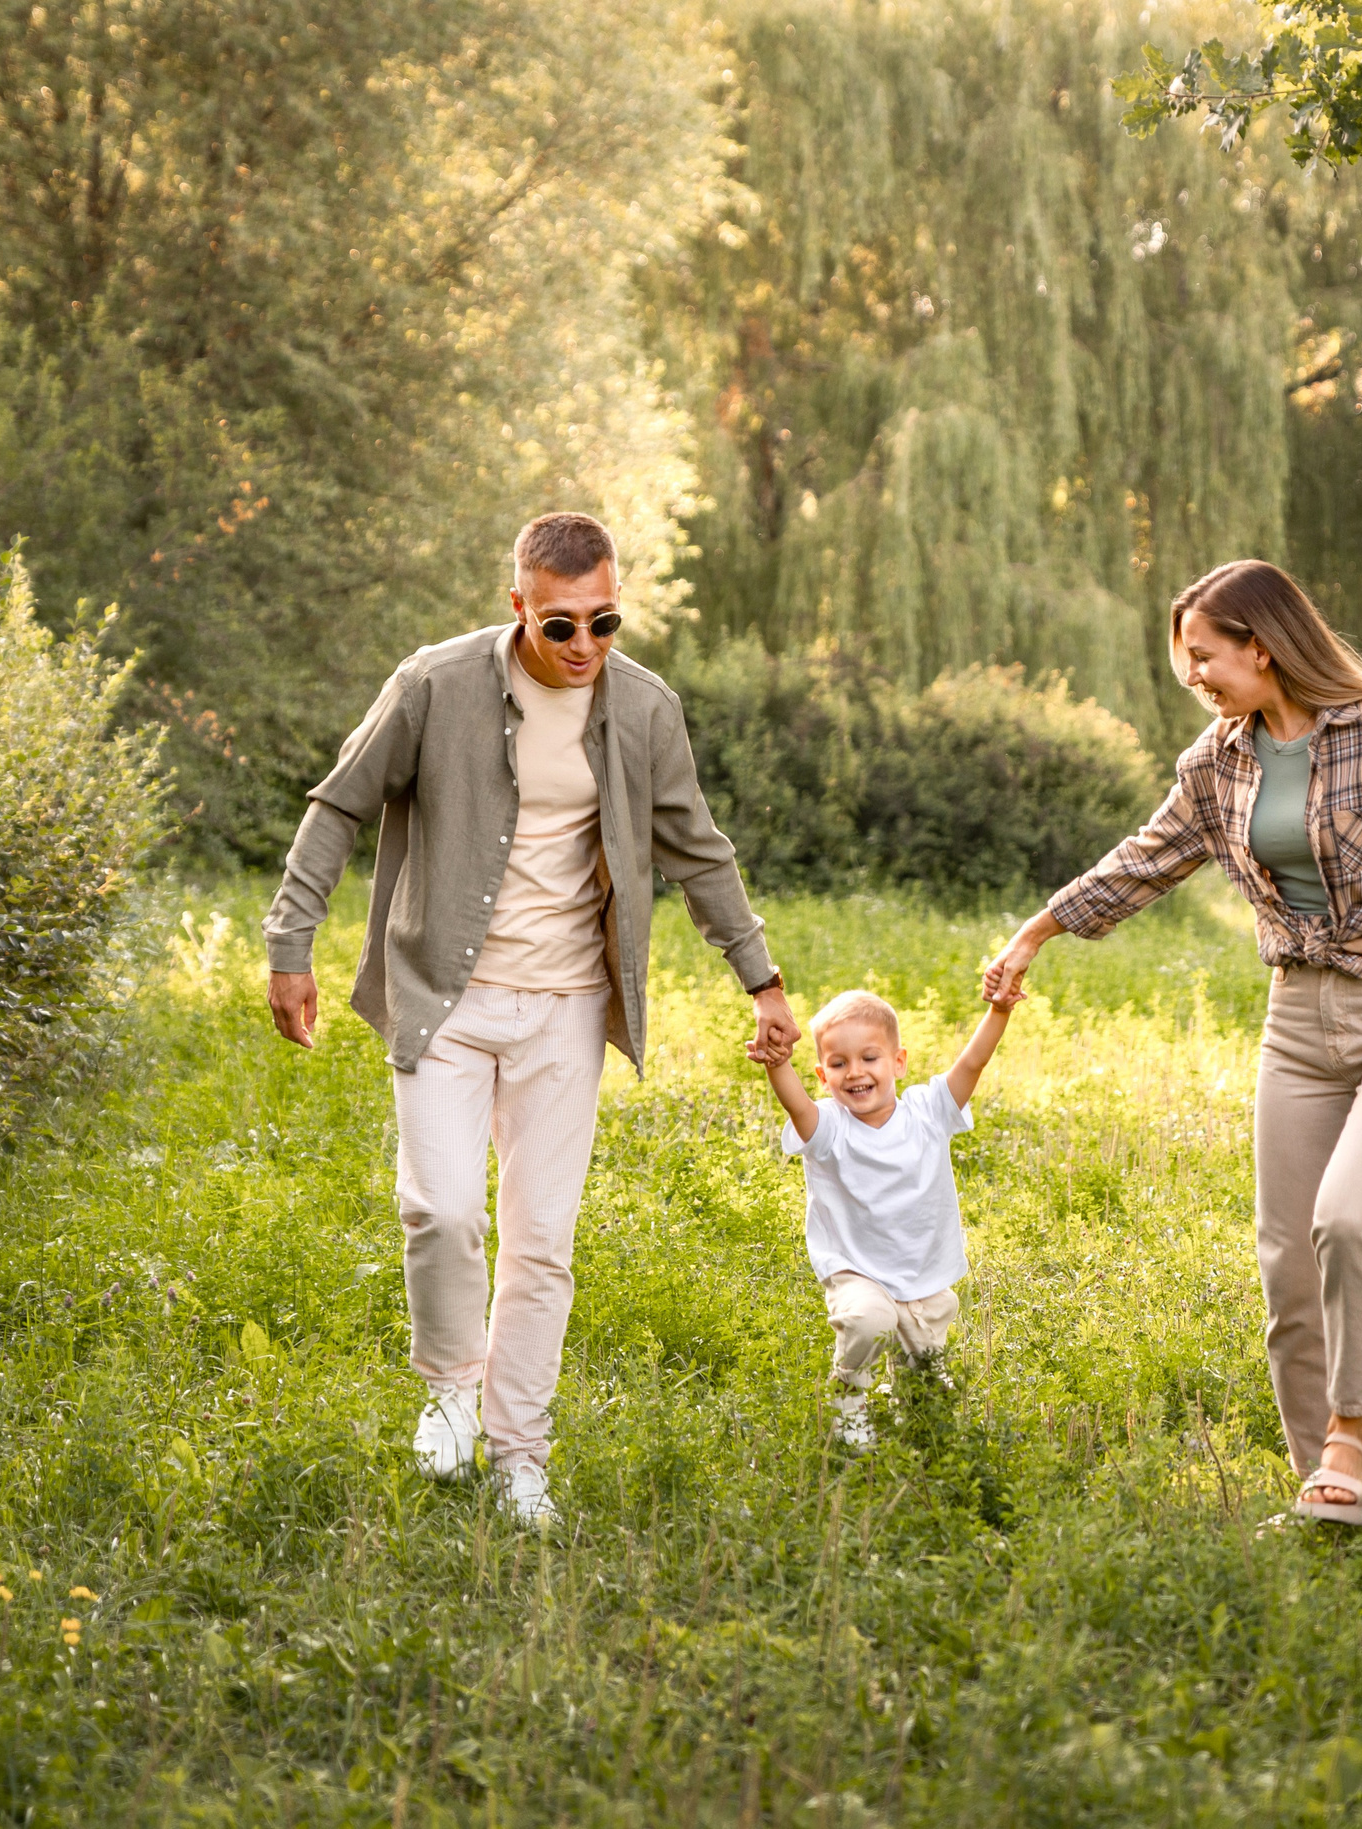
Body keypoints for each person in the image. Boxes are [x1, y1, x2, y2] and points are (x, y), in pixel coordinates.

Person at [981, 560, 1362, 1527]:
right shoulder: (1216, 762)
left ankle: (1349, 1441)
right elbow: (1143, 861)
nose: (1193, 677)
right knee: (1286, 1260)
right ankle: (1323, 1485)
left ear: (1261, 646)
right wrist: (1035, 931)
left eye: (1204, 658)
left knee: (1350, 1216)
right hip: (1297, 1023)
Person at [262, 512, 799, 1531]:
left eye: (606, 622)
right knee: (444, 1208)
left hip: (565, 1006)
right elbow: (338, 805)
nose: (586, 647)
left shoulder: (643, 709)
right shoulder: (434, 683)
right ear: (518, 607)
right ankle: (451, 1389)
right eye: (561, 627)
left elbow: (697, 848)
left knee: (541, 1241)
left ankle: (520, 1455)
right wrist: (292, 942)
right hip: (445, 994)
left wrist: (760, 978)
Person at [755, 987, 1020, 1448]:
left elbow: (973, 1063)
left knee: (929, 1388)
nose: (855, 1072)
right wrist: (777, 1062)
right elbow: (795, 1105)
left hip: (920, 1272)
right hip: (855, 1267)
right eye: (838, 1064)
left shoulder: (929, 1111)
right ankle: (848, 1392)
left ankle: (912, 1412)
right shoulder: (829, 1127)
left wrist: (999, 1010)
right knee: (868, 1319)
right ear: (822, 1074)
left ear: (898, 1062)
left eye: (870, 1058)